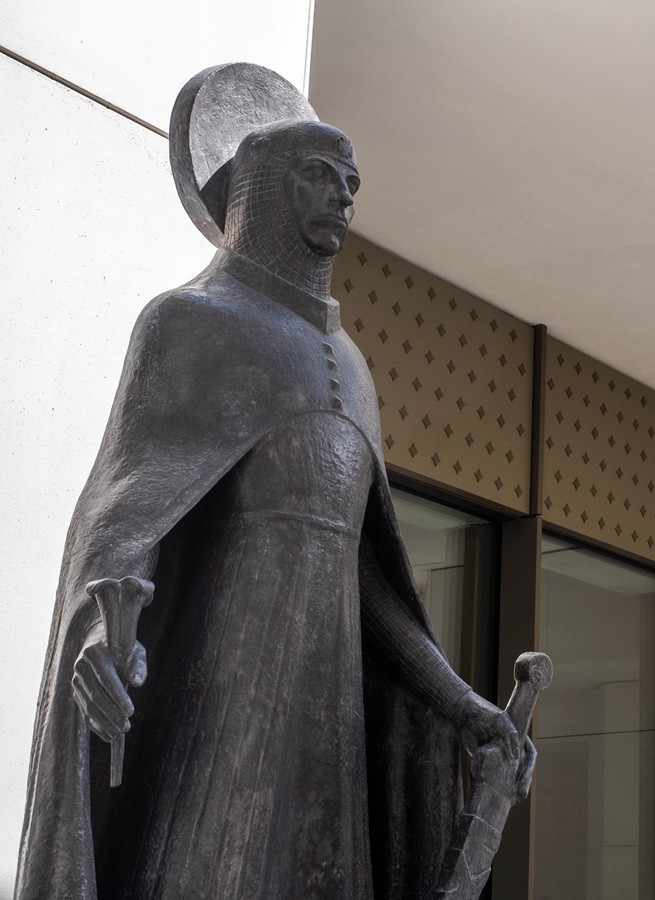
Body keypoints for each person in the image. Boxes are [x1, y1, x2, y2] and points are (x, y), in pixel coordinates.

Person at [15, 67, 524, 899]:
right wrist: (102, 634)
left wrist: (464, 704)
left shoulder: (354, 367)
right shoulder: (188, 323)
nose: (343, 195)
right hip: (223, 706)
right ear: (257, 186)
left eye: (351, 182)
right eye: (319, 175)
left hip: (329, 720)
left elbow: (368, 583)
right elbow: (122, 521)